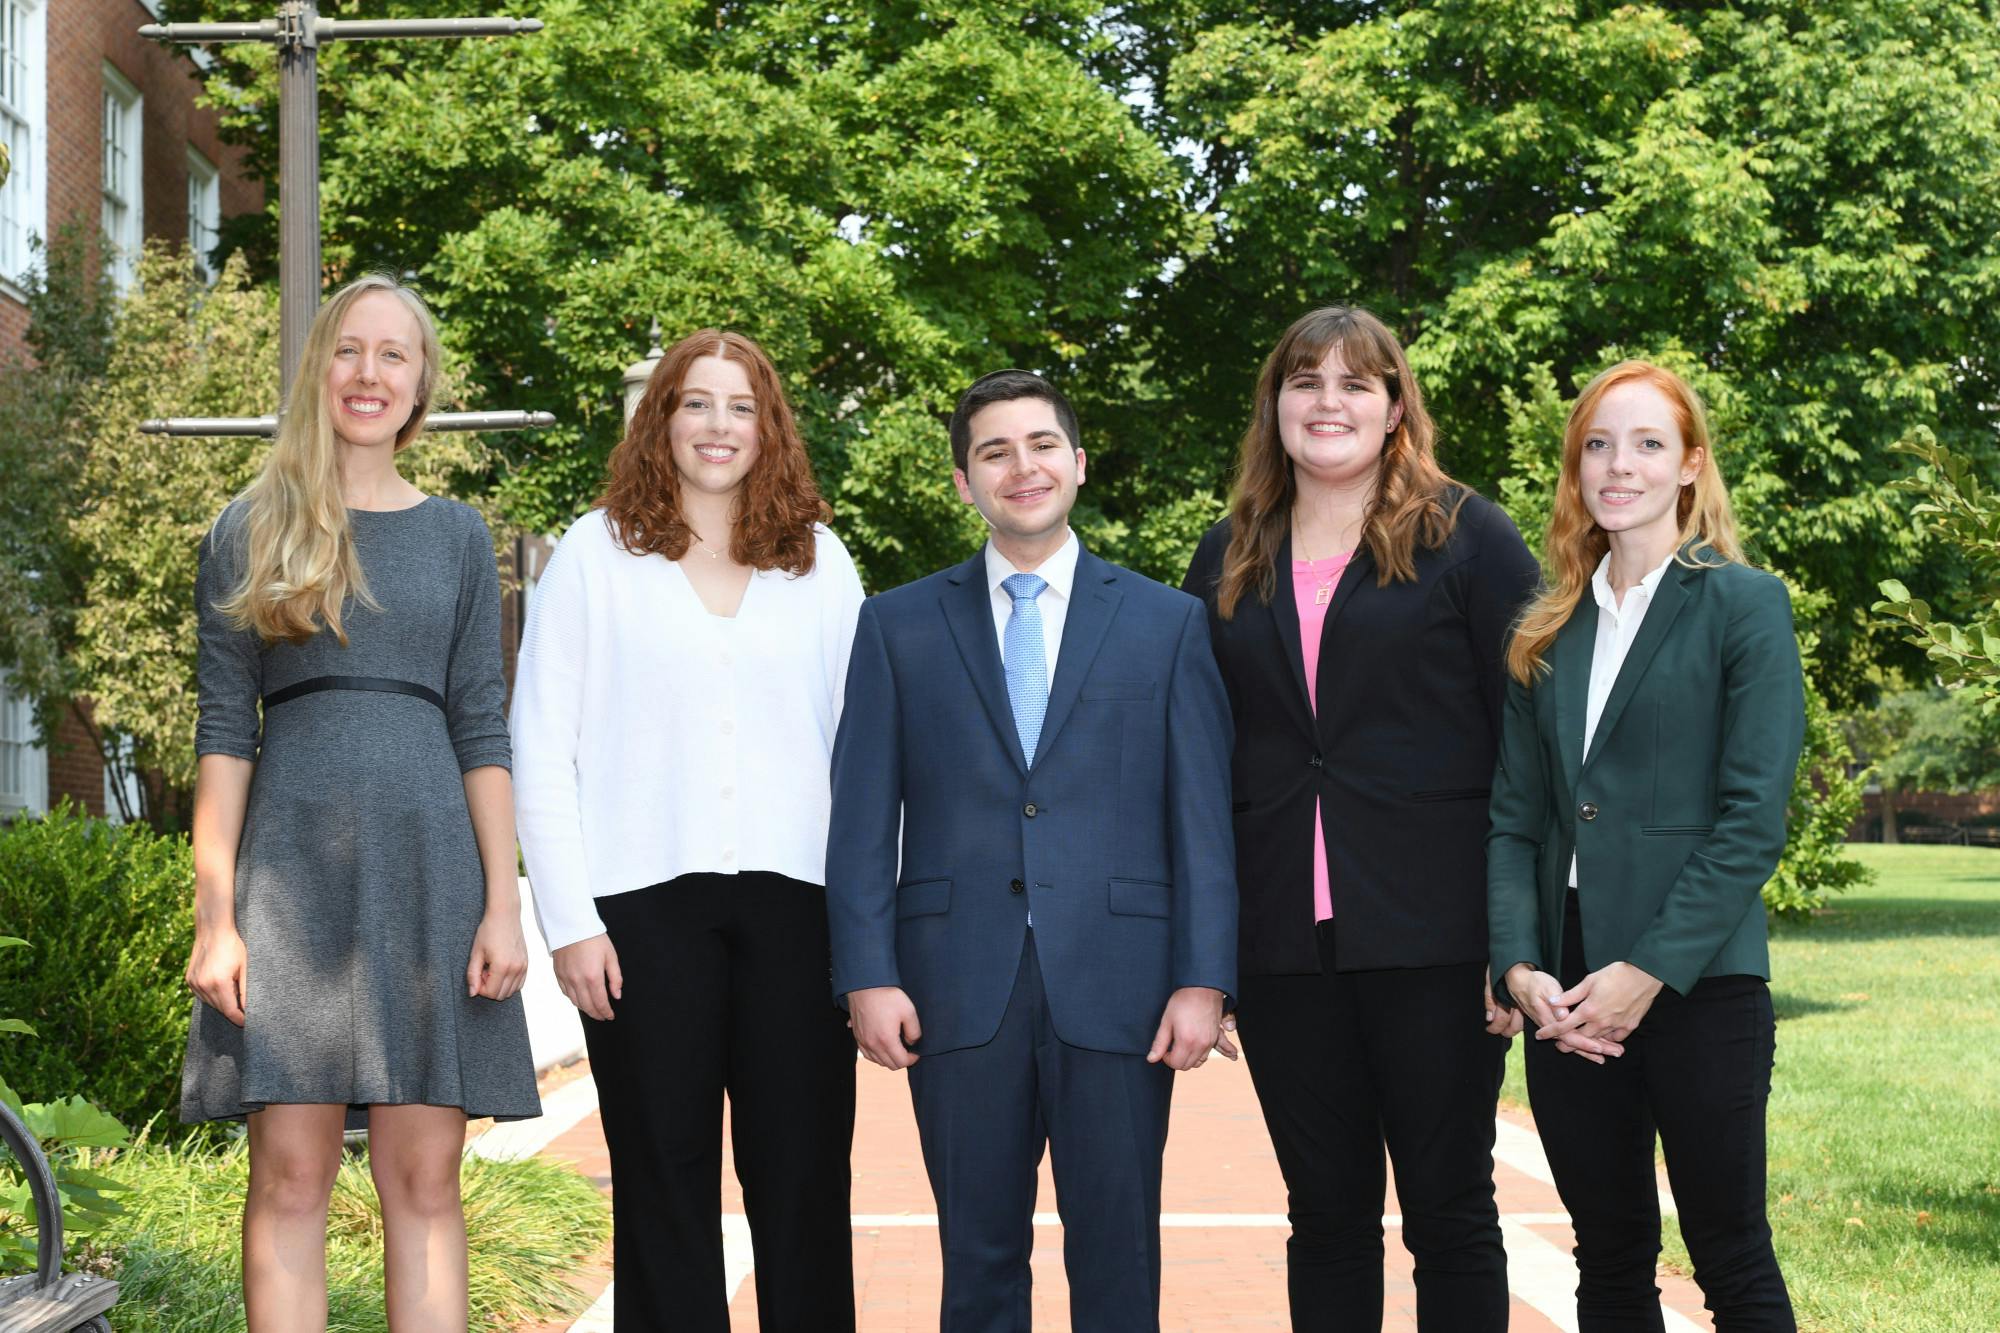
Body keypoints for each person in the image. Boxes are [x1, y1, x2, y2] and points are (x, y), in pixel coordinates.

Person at [826, 369, 1237, 1333]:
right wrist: (866, 974)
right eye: (995, 452)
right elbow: (859, 819)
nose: (1023, 467)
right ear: (963, 481)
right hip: (956, 987)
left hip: (1125, 986)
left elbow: (1203, 820)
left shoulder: (1167, 622)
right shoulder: (895, 624)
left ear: (1079, 463)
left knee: (1120, 1261)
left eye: (1042, 444)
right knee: (977, 1266)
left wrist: (1204, 978)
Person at [180, 274, 538, 1330]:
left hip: (430, 881)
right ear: (318, 371)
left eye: (393, 354)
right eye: (348, 349)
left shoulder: (460, 536)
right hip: (290, 889)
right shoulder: (247, 530)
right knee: (290, 1178)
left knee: (424, 1181)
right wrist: (215, 918)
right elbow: (222, 736)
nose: (368, 373)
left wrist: (503, 903)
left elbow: (482, 727)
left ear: (421, 384)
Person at [1181, 305, 1539, 1331]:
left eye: (1353, 383)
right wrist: (1207, 950)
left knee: (1449, 1212)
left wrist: (1512, 939)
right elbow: (1199, 753)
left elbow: (1528, 746)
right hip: (1284, 948)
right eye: (1304, 382)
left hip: (1438, 940)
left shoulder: (1468, 536)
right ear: (1274, 406)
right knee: (1326, 1217)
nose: (1326, 402)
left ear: (1394, 408)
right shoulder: (1229, 550)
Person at [511, 329, 864, 1330]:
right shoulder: (595, 553)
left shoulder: (820, 561)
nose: (719, 425)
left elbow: (866, 749)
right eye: (696, 402)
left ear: (769, 426)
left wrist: (871, 928)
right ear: (661, 419)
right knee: (661, 1178)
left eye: (741, 406)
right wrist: (570, 923)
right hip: (638, 917)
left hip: (802, 912)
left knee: (803, 1178)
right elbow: (540, 744)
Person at [1488, 360, 1804, 1330]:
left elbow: (1751, 820)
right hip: (1567, 985)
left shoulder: (1743, 605)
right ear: (1576, 467)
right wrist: (1519, 966)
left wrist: (1647, 971)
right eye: (1597, 444)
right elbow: (1515, 819)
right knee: (1609, 1257)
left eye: (1646, 443)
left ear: (1689, 465)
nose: (1618, 465)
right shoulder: (1545, 630)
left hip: (1699, 977)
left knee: (1730, 1253)